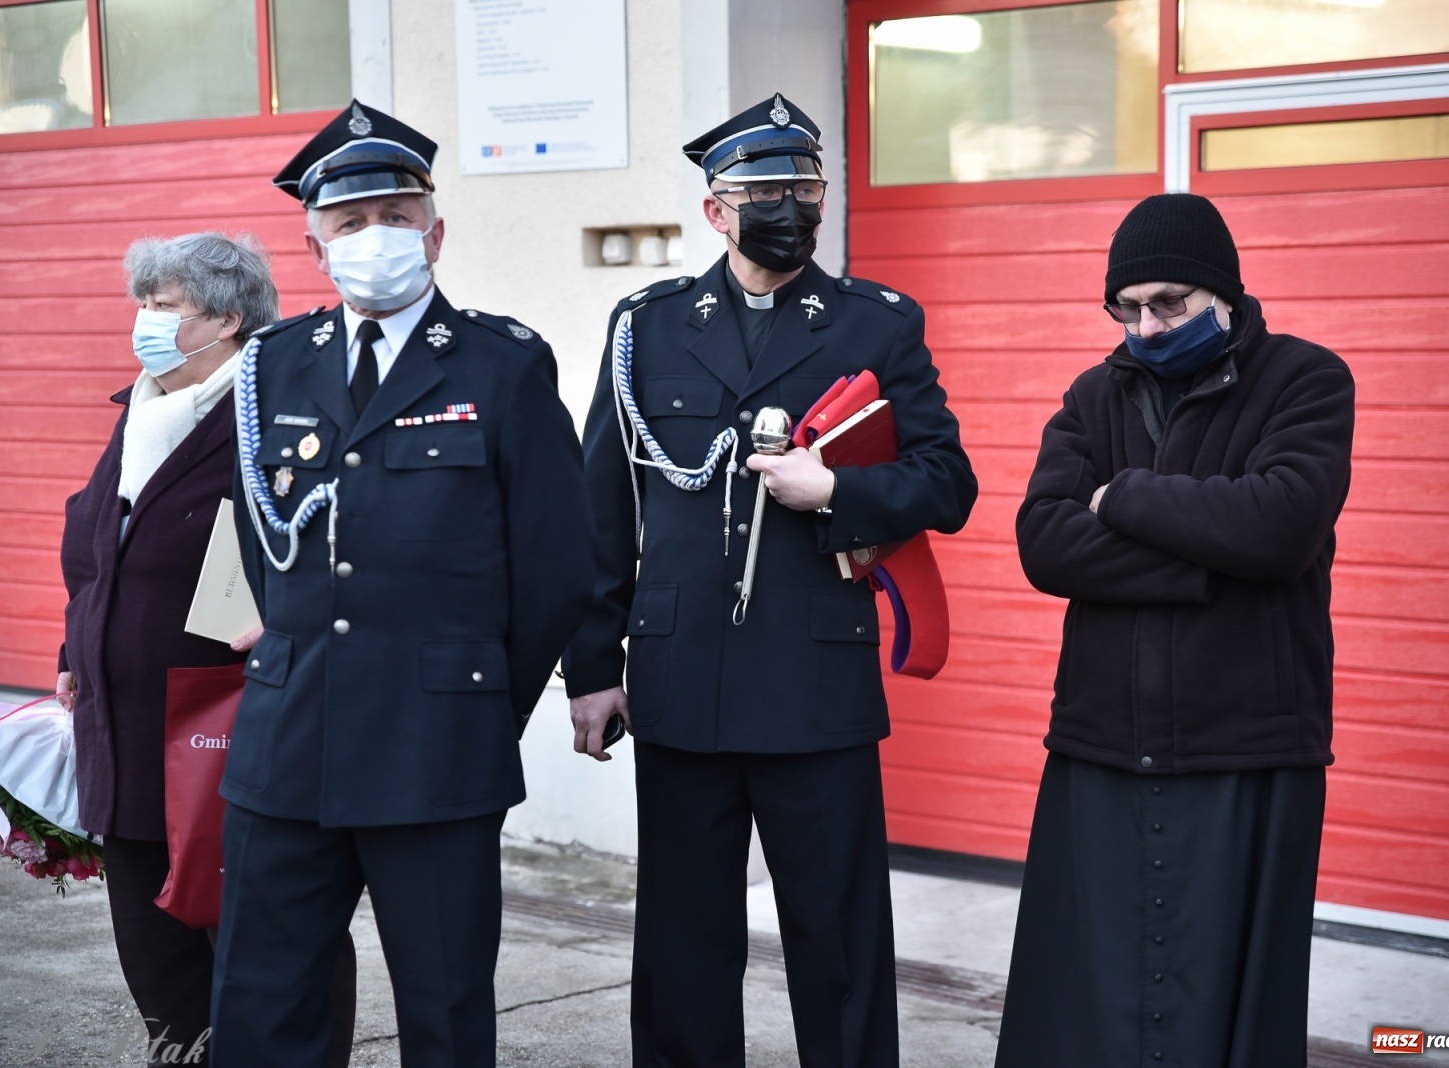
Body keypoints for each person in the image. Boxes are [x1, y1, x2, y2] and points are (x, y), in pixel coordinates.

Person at [565, 93, 976, 1067]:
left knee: (837, 946)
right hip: (679, 681)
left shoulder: (874, 324)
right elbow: (599, 513)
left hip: (814, 685)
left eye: (806, 187)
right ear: (716, 210)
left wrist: (835, 487)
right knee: (681, 943)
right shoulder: (646, 327)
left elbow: (946, 482)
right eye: (765, 191)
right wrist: (591, 665)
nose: (790, 206)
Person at [210, 100, 593, 1068]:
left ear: (435, 231)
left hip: (437, 753)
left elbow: (554, 565)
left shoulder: (502, 364)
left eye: (394, 216)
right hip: (288, 745)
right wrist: (253, 651)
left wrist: (469, 696)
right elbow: (243, 534)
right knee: (261, 1006)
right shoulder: (269, 367)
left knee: (446, 1013)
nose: (374, 237)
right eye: (349, 223)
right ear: (314, 244)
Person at [1001, 192, 1355, 1067]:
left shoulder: (1306, 380)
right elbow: (1045, 543)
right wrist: (1210, 557)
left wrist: (1123, 498)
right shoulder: (1092, 396)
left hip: (1246, 744)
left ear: (1223, 294)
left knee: (1227, 1011)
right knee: (1086, 1009)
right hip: (1102, 741)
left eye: (1169, 304)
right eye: (1127, 308)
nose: (1147, 327)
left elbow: (1280, 524)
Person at [59, 232, 356, 1066]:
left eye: (163, 307)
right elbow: (96, 553)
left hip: (230, 730)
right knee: (155, 949)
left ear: (227, 321)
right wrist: (72, 646)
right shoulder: (143, 409)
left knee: (271, 941)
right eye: (143, 304)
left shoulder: (271, 411)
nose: (144, 323)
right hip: (124, 733)